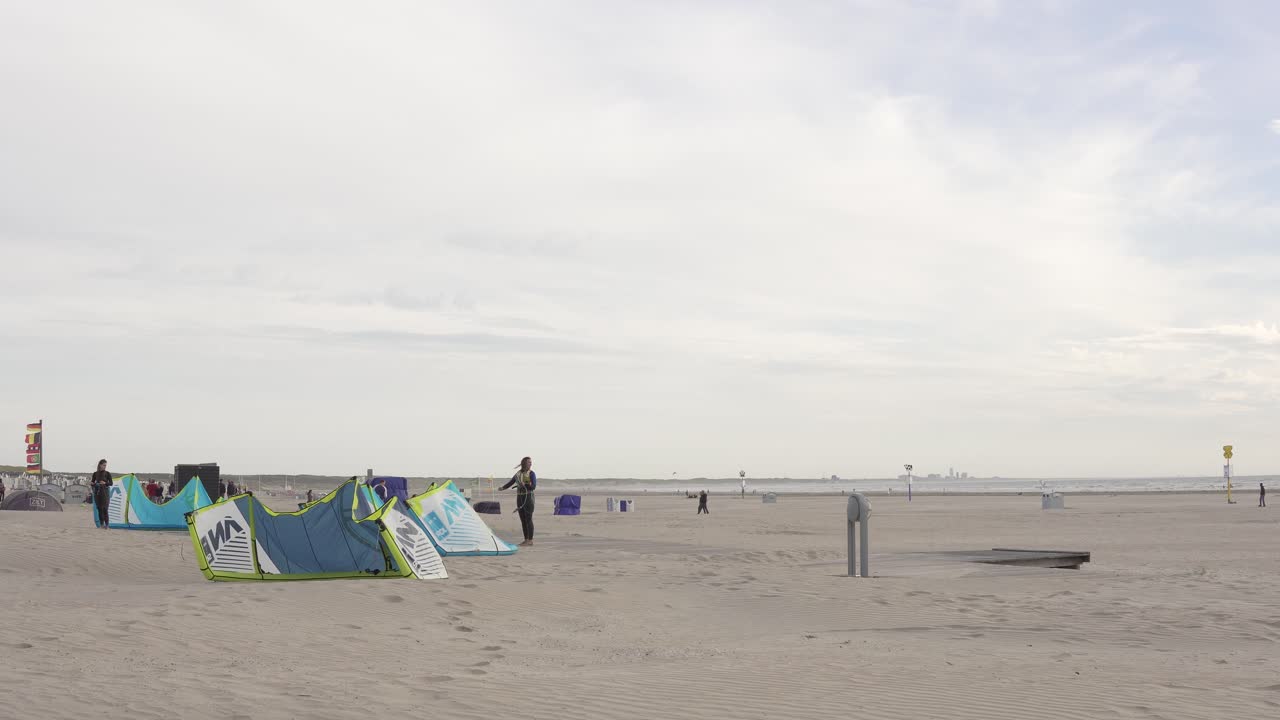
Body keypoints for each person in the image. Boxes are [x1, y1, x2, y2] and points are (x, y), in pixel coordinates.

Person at [500, 456, 537, 546]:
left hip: (528, 498)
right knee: (523, 520)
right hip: (519, 498)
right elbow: (511, 482)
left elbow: (533, 487)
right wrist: (503, 488)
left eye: (531, 462)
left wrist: (526, 485)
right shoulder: (518, 474)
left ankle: (530, 540)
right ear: (524, 463)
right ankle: (526, 539)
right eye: (529, 462)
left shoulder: (531, 473)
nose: (531, 464)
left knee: (528, 519)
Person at [90, 459, 113, 529]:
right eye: (104, 465)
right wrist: (93, 484)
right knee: (99, 509)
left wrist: (105, 483)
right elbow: (92, 483)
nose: (105, 466)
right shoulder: (95, 474)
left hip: (105, 493)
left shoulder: (107, 473)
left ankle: (107, 525)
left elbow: (111, 483)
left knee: (105, 508)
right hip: (97, 493)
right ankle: (101, 524)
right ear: (100, 465)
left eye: (105, 465)